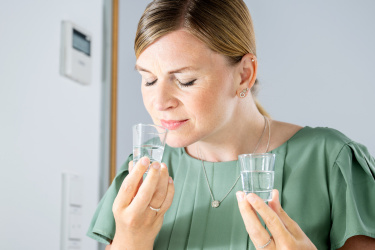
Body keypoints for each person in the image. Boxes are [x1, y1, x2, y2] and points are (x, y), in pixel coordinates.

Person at [87, 0, 375, 249]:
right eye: (148, 79)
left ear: (244, 74)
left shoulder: (331, 161)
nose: (159, 101)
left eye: (185, 80)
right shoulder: (141, 175)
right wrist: (130, 238)